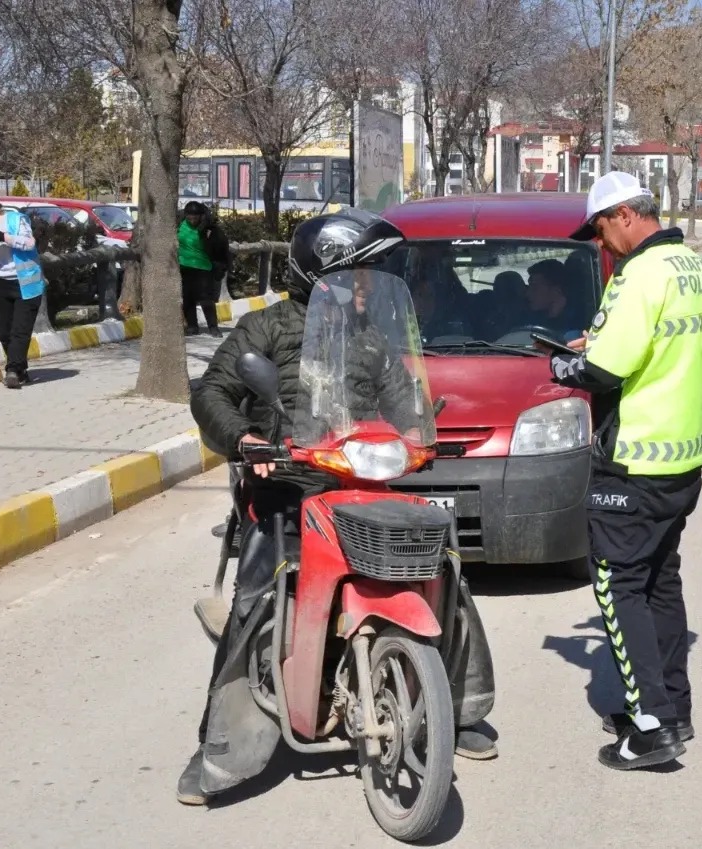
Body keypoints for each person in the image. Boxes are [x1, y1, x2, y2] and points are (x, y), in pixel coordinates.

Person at [179, 208, 498, 806]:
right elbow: (213, 392)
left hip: (356, 485)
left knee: (445, 565)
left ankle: (457, 705)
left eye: (372, 277)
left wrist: (421, 433)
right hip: (287, 486)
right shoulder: (265, 330)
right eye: (358, 275)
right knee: (256, 595)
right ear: (321, 275)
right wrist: (247, 440)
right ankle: (218, 744)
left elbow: (405, 400)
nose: (366, 288)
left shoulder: (372, 340)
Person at [543, 171, 702, 771]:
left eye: (600, 231)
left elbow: (604, 370)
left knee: (619, 589)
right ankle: (674, 707)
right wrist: (596, 343)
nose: (601, 245)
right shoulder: (698, 271)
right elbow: (678, 351)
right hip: (682, 457)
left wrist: (564, 365)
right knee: (659, 583)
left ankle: (650, 727)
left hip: (632, 461)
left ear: (624, 216)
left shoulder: (638, 275)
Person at [0, 190, 45, 389]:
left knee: (20, 331)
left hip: (26, 283)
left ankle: (11, 370)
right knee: (5, 332)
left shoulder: (15, 220)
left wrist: (3, 236)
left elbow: (30, 244)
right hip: (1, 283)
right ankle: (20, 370)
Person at [179, 201, 230, 337]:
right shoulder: (180, 224)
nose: (192, 221)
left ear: (201, 216)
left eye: (195, 218)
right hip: (184, 266)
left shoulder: (208, 229)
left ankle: (213, 327)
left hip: (203, 267)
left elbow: (221, 248)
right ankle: (192, 326)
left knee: (205, 298)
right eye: (189, 218)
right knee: (188, 298)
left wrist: (220, 266)